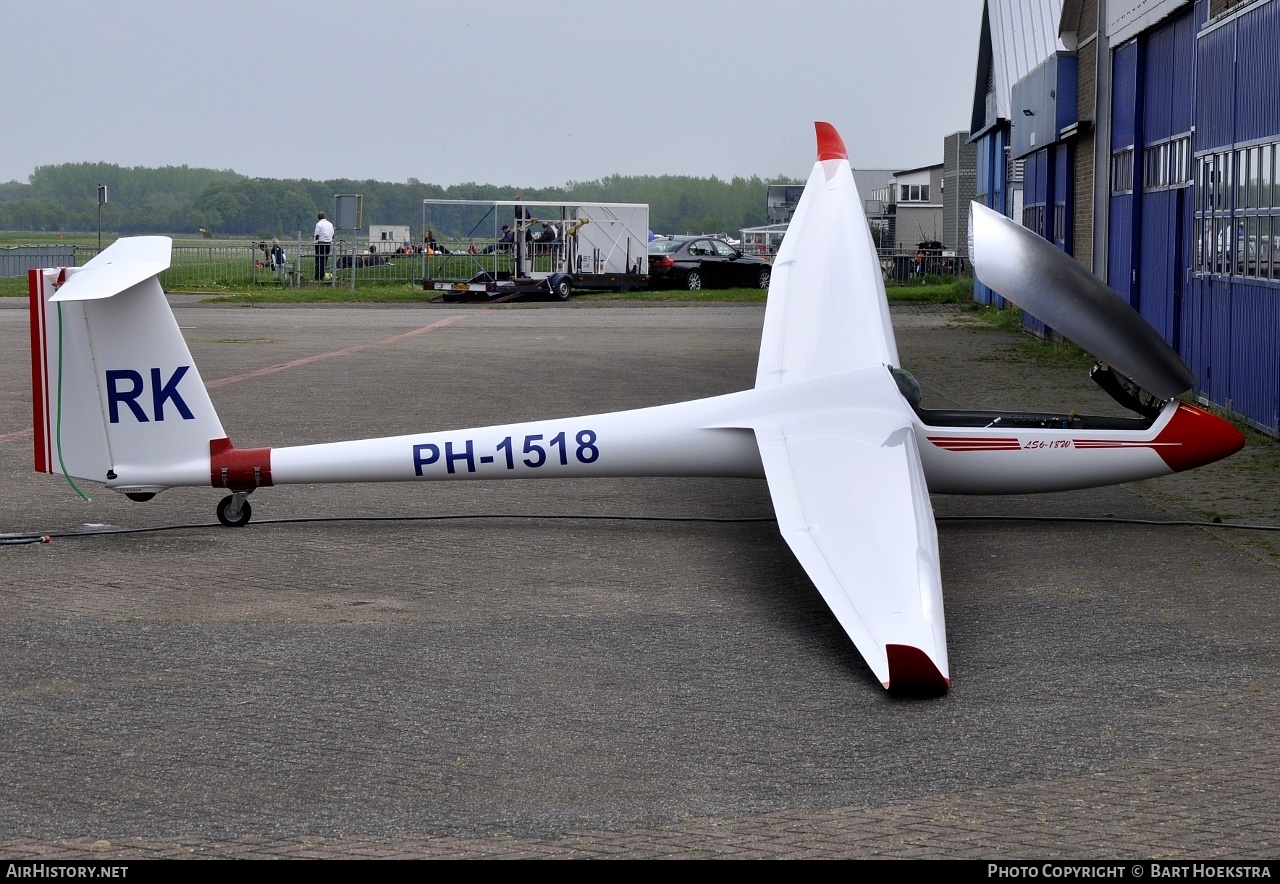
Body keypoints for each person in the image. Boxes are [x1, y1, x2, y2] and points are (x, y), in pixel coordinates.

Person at [314, 211, 334, 280]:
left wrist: (315, 242)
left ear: (318, 217)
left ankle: (318, 276)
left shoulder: (318, 224)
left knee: (318, 260)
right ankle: (322, 275)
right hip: (328, 244)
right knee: (325, 260)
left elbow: (317, 235)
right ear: (325, 216)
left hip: (320, 244)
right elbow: (332, 234)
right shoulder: (330, 224)